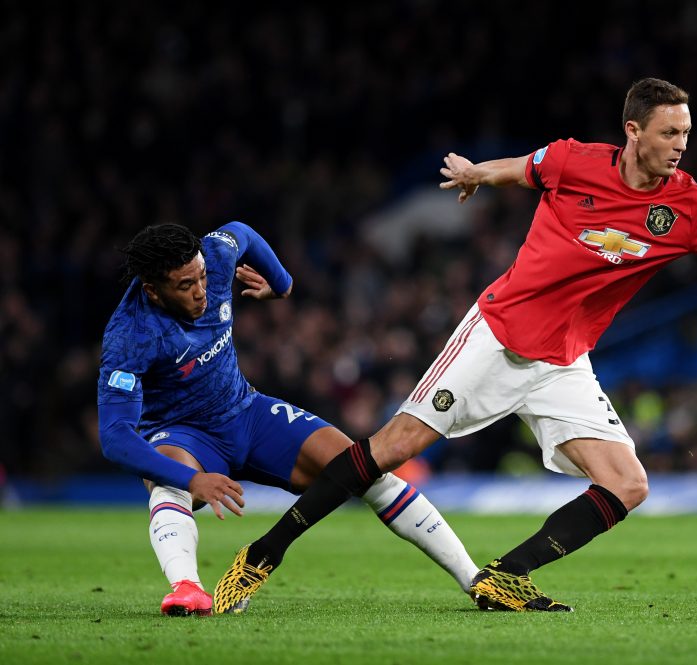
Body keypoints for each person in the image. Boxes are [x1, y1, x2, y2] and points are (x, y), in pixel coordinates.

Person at [214, 77, 697, 613]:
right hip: (498, 336)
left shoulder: (691, 208)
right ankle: (261, 556)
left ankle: (506, 576)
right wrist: (480, 173)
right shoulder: (574, 161)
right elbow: (524, 168)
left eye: (687, 132)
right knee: (389, 450)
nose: (682, 144)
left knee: (629, 483)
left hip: (564, 360)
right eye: (670, 131)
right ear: (633, 131)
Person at [97, 222, 478, 616]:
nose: (201, 292)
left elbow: (240, 232)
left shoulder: (215, 256)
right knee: (167, 482)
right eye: (185, 286)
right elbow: (115, 437)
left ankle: (474, 579)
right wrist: (194, 479)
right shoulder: (130, 337)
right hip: (185, 434)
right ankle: (187, 588)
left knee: (364, 469)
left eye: (203, 277)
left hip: (248, 412)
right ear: (152, 291)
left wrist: (281, 283)